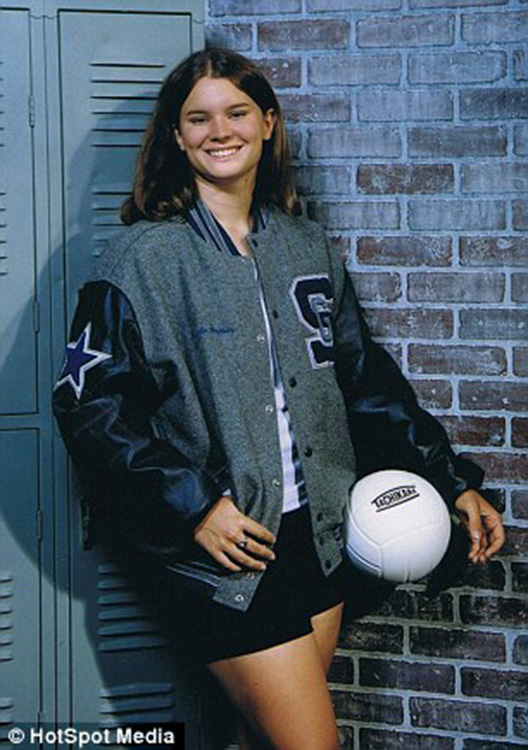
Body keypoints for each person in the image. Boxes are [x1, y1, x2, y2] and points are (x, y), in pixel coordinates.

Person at [53, 48, 505, 750]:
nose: (219, 131)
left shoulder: (305, 245)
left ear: (268, 123)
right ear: (176, 136)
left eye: (236, 113)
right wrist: (194, 506)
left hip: (317, 537)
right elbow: (91, 409)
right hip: (227, 552)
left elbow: (365, 382)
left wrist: (452, 480)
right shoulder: (142, 259)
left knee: (259, 738)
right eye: (198, 118)